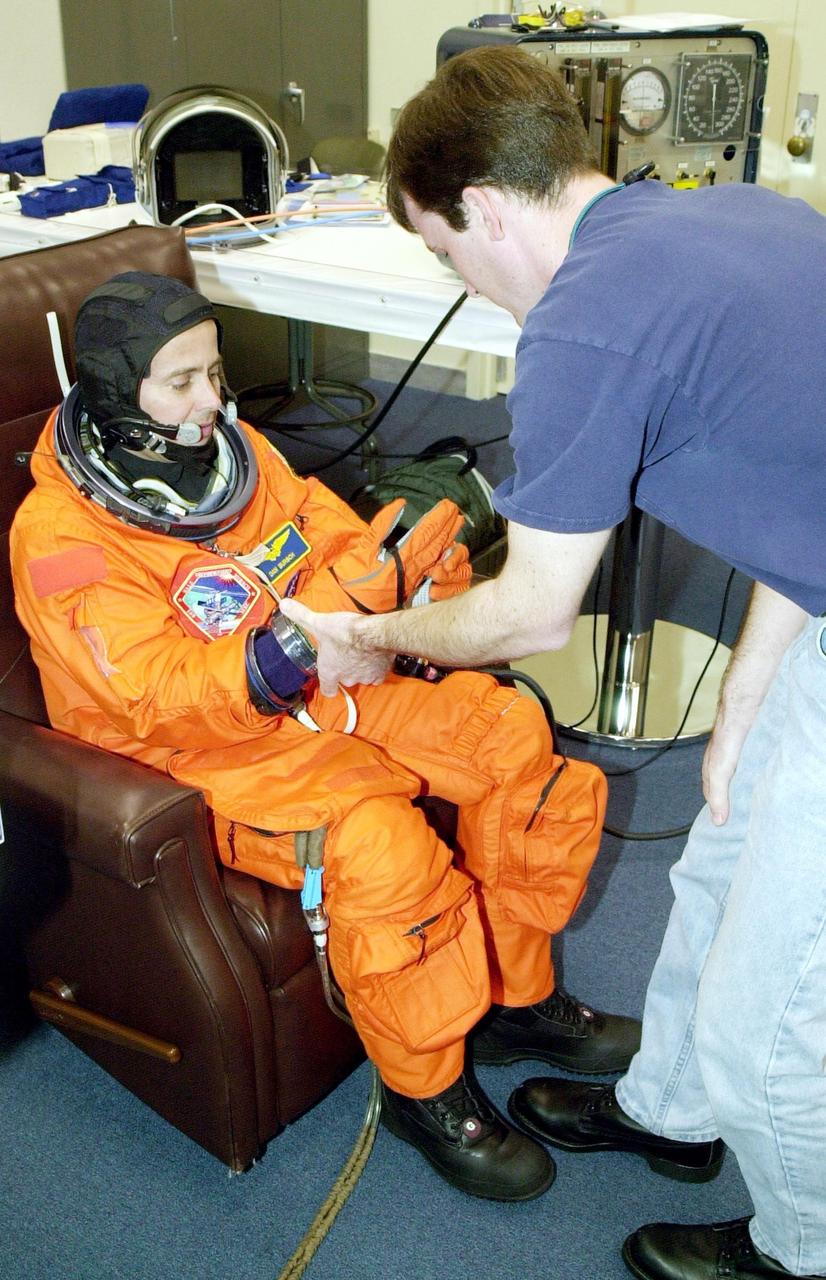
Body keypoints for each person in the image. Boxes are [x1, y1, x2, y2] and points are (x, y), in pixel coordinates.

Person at [278, 44, 826, 1280]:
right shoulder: (738, 217)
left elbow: (528, 615)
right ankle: (672, 1111)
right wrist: (746, 694)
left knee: (777, 1008)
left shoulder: (582, 323)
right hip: (815, 607)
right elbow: (805, 492)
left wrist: (369, 635)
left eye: (443, 252)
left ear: (481, 208)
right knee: (719, 856)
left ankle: (800, 1248)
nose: (462, 284)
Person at [10, 268, 641, 1204]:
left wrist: (384, 583)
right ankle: (425, 1090)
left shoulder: (240, 456)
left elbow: (331, 538)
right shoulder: (60, 540)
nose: (212, 399)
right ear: (114, 394)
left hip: (319, 685)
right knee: (381, 845)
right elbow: (148, 693)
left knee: (508, 736)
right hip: (200, 759)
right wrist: (280, 654)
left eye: (214, 372)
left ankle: (516, 995)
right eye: (181, 382)